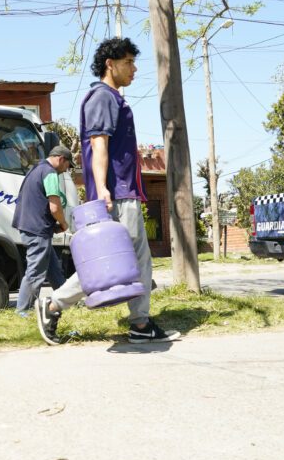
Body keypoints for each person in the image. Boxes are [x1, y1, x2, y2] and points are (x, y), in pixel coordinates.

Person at [36, 37, 181, 345]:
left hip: (125, 191)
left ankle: (140, 324)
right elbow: (98, 144)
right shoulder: (102, 97)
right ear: (110, 64)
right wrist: (102, 188)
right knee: (114, 262)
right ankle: (53, 305)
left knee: (138, 260)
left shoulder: (113, 98)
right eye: (128, 62)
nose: (134, 68)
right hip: (116, 193)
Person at [11, 145, 73, 343]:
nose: (67, 170)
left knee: (53, 269)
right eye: (68, 165)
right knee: (36, 271)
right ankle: (22, 310)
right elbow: (54, 206)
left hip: (30, 225)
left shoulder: (35, 169)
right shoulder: (50, 173)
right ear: (61, 159)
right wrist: (64, 223)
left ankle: (66, 299)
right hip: (37, 229)